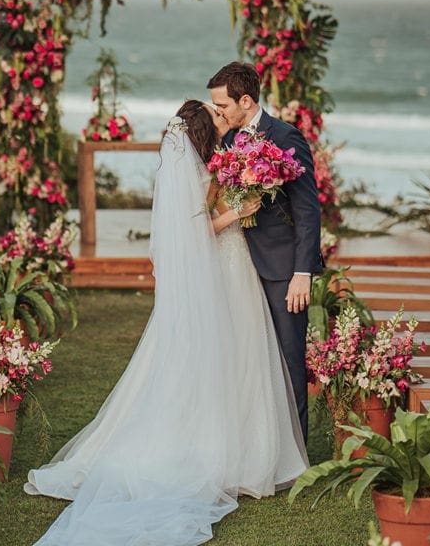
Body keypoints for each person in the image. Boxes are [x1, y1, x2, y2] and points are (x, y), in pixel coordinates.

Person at [24, 99, 307, 546]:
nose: (222, 118)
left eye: (223, 109)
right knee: (221, 355)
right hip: (222, 263)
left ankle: (251, 453)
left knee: (243, 353)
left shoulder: (212, 161)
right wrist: (240, 209)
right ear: (199, 130)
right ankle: (226, 454)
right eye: (215, 115)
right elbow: (195, 229)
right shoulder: (192, 171)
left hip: (233, 267)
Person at [207, 62, 324, 441]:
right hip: (239, 265)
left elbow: (308, 210)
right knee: (249, 362)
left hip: (282, 272)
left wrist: (302, 272)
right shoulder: (226, 140)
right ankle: (256, 445)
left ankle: (296, 454)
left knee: (289, 362)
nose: (218, 112)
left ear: (246, 99)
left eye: (222, 105)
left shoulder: (286, 138)